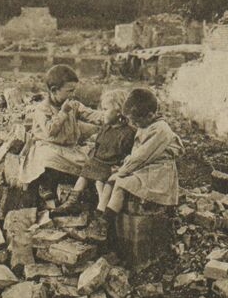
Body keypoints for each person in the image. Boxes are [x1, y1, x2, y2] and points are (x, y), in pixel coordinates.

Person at [18, 65, 103, 199]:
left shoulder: (73, 105)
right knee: (47, 158)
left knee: (88, 163)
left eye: (74, 90)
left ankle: (69, 181)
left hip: (69, 150)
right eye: (69, 91)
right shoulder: (42, 109)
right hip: (48, 147)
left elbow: (91, 114)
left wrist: (107, 116)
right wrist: (63, 113)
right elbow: (50, 131)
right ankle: (45, 184)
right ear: (54, 90)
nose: (72, 94)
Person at [100, 88, 184, 222]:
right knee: (111, 181)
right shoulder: (146, 125)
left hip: (159, 176)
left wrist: (122, 172)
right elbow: (136, 154)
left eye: (136, 122)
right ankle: (100, 216)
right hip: (145, 169)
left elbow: (141, 156)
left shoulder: (161, 130)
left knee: (120, 183)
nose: (134, 125)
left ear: (150, 115)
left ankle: (103, 224)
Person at [52, 89, 136, 215]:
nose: (102, 113)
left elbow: (126, 154)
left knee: (99, 177)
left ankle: (100, 212)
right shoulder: (106, 128)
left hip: (112, 166)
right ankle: (71, 202)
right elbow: (99, 145)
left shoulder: (128, 132)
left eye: (106, 109)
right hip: (100, 162)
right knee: (87, 169)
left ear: (119, 112)